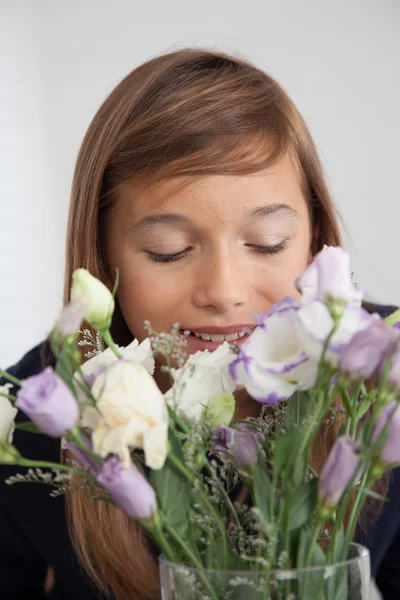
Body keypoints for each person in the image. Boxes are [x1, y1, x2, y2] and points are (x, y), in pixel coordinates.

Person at [0, 48, 399, 600]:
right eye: (169, 251)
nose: (225, 292)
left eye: (267, 244)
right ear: (101, 258)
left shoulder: (383, 374)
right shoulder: (34, 413)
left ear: (313, 238)